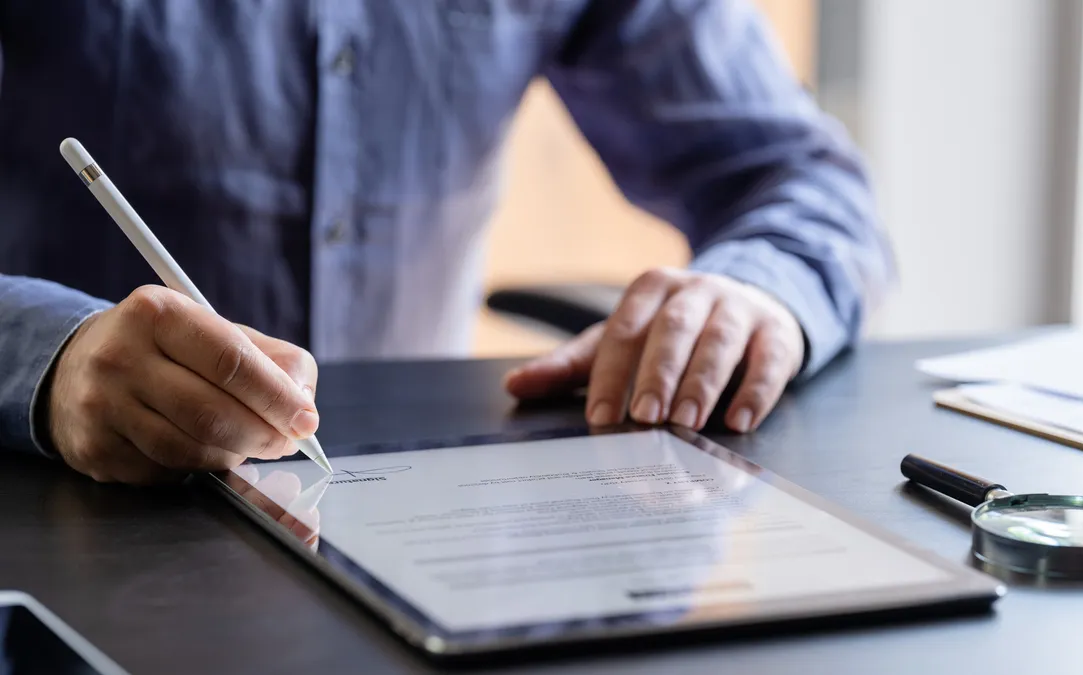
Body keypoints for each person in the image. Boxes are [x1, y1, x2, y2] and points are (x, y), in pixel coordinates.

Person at [0, 1, 891, 485]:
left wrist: (755, 292)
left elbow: (800, 179)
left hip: (396, 508)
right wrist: (50, 358)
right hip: (66, 509)